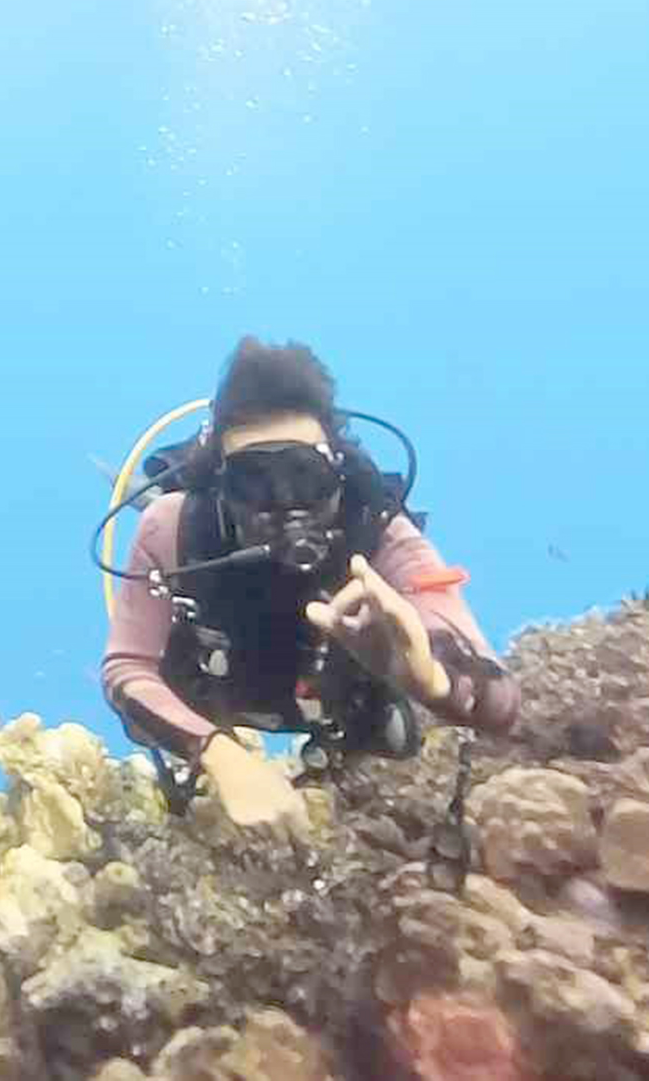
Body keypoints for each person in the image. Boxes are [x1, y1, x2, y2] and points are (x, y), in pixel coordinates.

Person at [100, 337, 516, 834]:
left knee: (397, 740)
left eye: (303, 475)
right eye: (253, 480)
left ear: (336, 470)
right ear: (219, 485)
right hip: (216, 704)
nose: (283, 503)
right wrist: (216, 753)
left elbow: (502, 700)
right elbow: (126, 667)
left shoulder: (377, 529)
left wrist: (433, 676)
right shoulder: (172, 527)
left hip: (338, 713)